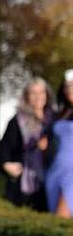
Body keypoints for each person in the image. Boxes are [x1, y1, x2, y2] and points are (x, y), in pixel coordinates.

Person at [0, 77, 54, 211]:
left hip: (50, 178)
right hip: (22, 183)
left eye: (41, 92)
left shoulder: (55, 119)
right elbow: (5, 146)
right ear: (26, 96)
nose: (38, 97)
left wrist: (48, 148)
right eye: (33, 93)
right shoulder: (17, 121)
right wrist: (5, 164)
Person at [45, 69, 73, 217]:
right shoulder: (62, 112)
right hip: (56, 168)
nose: (69, 89)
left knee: (61, 214)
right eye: (67, 86)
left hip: (71, 171)